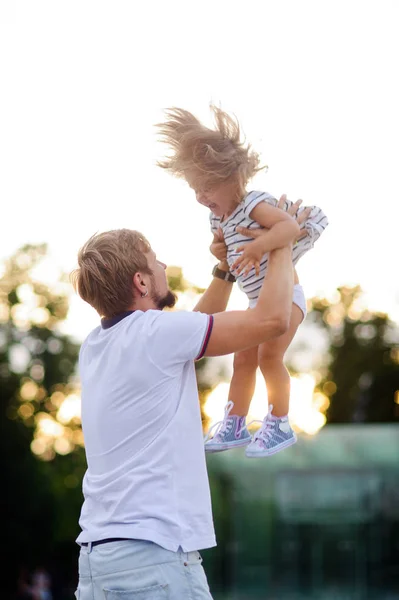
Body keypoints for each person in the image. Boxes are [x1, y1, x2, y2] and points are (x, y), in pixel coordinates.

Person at [71, 220, 301, 599]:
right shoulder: (155, 335)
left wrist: (225, 268)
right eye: (155, 260)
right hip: (152, 558)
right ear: (141, 283)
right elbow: (273, 320)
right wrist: (281, 242)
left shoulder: (98, 344)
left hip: (101, 562)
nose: (163, 266)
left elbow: (190, 331)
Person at [157, 105, 328, 457]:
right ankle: (234, 423)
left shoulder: (253, 204)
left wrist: (257, 248)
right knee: (242, 360)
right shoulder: (217, 217)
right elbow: (222, 247)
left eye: (206, 188)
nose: (201, 198)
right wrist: (217, 247)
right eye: (195, 190)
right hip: (256, 302)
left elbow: (289, 228)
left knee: (269, 357)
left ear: (231, 178)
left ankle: (279, 422)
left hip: (287, 297)